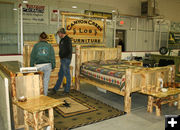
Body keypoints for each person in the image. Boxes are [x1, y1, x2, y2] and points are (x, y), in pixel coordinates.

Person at [51, 28, 72, 95]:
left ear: (61, 33)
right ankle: (55, 88)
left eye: (59, 34)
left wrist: (63, 56)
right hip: (63, 59)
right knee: (61, 74)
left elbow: (69, 50)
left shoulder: (67, 40)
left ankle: (67, 90)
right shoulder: (62, 40)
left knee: (67, 74)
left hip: (66, 59)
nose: (58, 35)